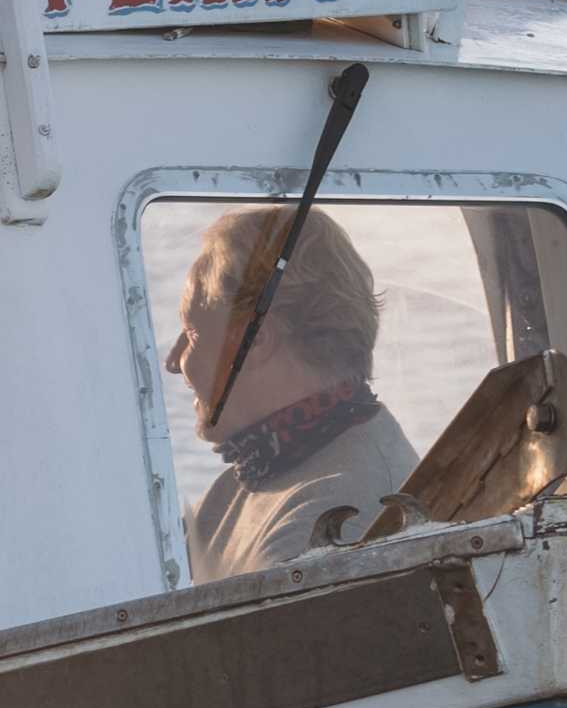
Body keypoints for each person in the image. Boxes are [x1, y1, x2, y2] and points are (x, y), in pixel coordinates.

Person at [167, 200, 414, 580]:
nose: (173, 361)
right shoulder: (248, 481)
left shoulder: (338, 517)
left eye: (193, 334)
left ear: (257, 339)